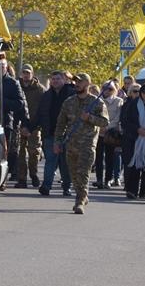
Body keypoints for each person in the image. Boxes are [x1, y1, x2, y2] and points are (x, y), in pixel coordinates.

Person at [54, 73, 108, 214]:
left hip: (87, 145)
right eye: (75, 81)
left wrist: (89, 117)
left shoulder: (96, 102)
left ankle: (80, 202)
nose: (76, 84)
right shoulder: (69, 102)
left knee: (83, 173)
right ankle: (83, 195)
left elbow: (105, 122)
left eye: (80, 82)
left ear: (87, 84)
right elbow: (60, 124)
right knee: (74, 175)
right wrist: (57, 142)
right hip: (71, 144)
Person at [37, 71, 75, 196]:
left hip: (67, 135)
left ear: (64, 80)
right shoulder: (46, 95)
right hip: (50, 133)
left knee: (65, 163)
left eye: (58, 79)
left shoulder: (71, 94)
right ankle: (46, 186)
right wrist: (29, 126)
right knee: (50, 161)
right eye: (53, 79)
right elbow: (40, 113)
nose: (55, 81)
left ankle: (66, 187)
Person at [16, 64, 45, 189]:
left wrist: (35, 125)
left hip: (35, 125)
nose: (26, 75)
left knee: (34, 152)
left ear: (32, 74)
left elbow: (43, 109)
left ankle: (33, 174)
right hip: (20, 125)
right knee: (20, 153)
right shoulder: (17, 86)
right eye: (24, 73)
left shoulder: (40, 90)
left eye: (28, 73)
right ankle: (22, 178)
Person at [0, 61, 28, 191]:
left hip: (6, 123)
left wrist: (1, 102)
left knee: (4, 153)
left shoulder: (12, 83)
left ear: (6, 68)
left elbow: (20, 103)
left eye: (2, 66)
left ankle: (3, 180)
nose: (0, 69)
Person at [95, 81, 123, 189]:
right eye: (105, 88)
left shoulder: (118, 101)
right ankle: (99, 179)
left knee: (110, 158)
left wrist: (107, 127)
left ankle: (108, 180)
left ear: (115, 90)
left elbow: (118, 117)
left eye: (110, 89)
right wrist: (100, 126)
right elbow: (95, 114)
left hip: (111, 133)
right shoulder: (97, 101)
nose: (107, 91)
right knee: (98, 157)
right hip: (99, 133)